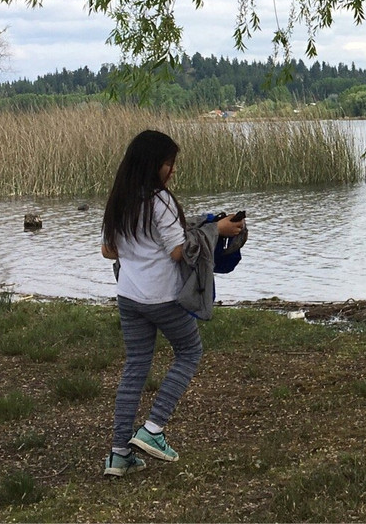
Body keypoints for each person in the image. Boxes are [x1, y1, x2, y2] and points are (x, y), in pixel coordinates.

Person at [100, 129, 245, 478]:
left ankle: (119, 455)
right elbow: (179, 251)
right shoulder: (160, 200)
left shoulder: (120, 198)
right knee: (189, 352)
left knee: (135, 366)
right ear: (152, 165)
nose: (173, 170)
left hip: (128, 295)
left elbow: (108, 250)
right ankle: (153, 429)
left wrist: (141, 248)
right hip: (163, 296)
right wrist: (216, 231)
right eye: (169, 163)